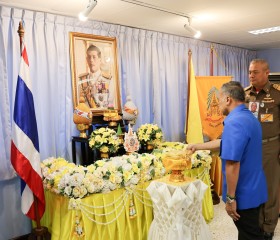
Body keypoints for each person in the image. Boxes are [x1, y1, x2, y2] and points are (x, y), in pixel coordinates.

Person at [188, 81, 268, 240]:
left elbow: (232, 163)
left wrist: (231, 199)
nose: (218, 103)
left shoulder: (234, 122)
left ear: (228, 99)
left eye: (219, 99)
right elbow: (225, 143)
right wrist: (197, 146)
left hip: (243, 193)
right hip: (255, 188)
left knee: (249, 235)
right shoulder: (247, 117)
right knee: (250, 232)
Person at [245, 59, 280, 240]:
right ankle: (257, 223)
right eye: (250, 72)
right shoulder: (244, 94)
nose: (251, 75)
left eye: (255, 72)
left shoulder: (277, 94)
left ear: (267, 73)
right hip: (249, 149)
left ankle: (268, 226)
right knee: (254, 187)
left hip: (270, 146)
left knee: (270, 188)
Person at [78, 44, 115, 109]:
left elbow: (111, 104)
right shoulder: (82, 80)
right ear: (87, 60)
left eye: (94, 57)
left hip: (103, 117)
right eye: (89, 57)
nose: (91, 60)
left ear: (100, 60)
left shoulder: (108, 80)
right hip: (87, 118)